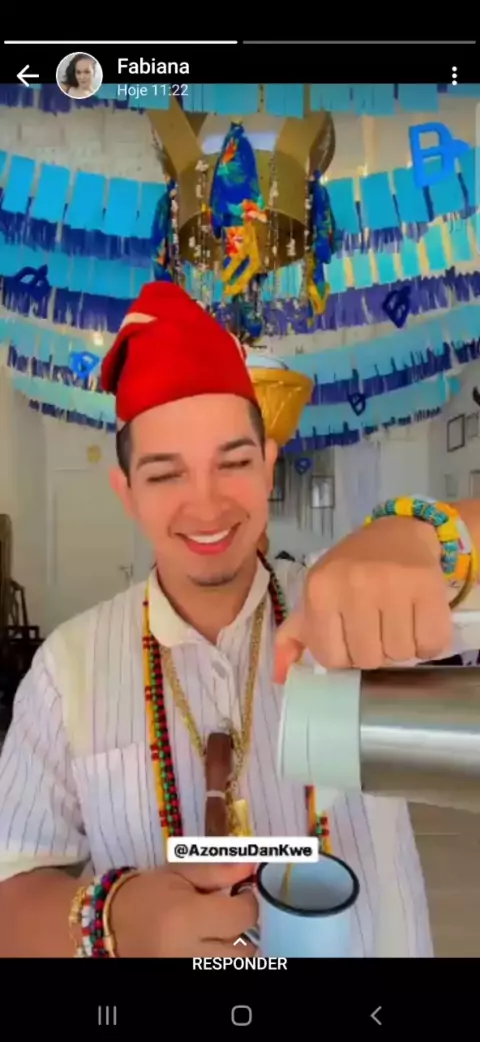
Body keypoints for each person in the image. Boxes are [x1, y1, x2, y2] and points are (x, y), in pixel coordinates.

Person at [0, 280, 478, 959]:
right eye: (165, 475)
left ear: (268, 465)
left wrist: (424, 533)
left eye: (234, 463)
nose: (207, 506)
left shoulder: (343, 603)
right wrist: (121, 917)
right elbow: (11, 892)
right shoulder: (66, 670)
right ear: (126, 491)